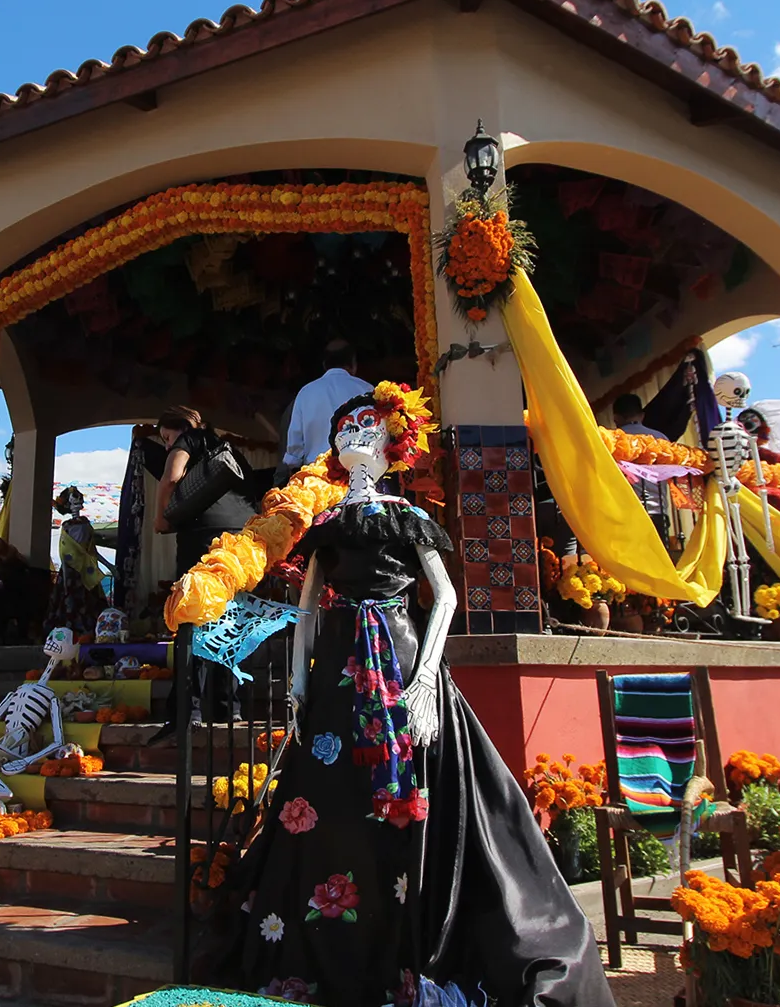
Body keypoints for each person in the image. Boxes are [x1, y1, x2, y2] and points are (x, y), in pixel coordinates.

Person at [226, 387, 613, 1007]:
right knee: (328, 800)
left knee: (410, 788)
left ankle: (412, 935)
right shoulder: (325, 526)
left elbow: (447, 597)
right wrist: (298, 684)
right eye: (345, 427)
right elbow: (306, 611)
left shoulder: (409, 517)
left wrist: (429, 674)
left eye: (367, 425)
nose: (354, 435)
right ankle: (323, 940)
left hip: (403, 662)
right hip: (336, 672)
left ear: (392, 442)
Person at [156, 405, 257, 726]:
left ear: (179, 429)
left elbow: (171, 479)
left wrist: (162, 518)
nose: (168, 444)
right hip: (239, 543)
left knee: (194, 617)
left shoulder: (189, 441)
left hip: (202, 539)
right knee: (232, 620)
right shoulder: (229, 449)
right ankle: (230, 706)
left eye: (167, 437)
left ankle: (190, 708)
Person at [277, 340, 373, 484]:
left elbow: (294, 452)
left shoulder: (306, 392)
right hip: (361, 481)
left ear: (324, 364)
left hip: (317, 483)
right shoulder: (367, 390)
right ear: (353, 364)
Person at [47, 486, 111, 638]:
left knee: (89, 603)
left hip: (86, 570)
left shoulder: (85, 524)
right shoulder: (67, 526)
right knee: (72, 603)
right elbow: (64, 552)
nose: (77, 501)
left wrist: (109, 566)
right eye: (73, 498)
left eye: (78, 498)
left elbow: (92, 550)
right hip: (72, 572)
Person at [613, 392, 672, 544]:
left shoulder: (611, 439)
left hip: (625, 514)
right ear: (642, 415)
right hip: (658, 510)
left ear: (616, 418)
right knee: (661, 563)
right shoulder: (660, 438)